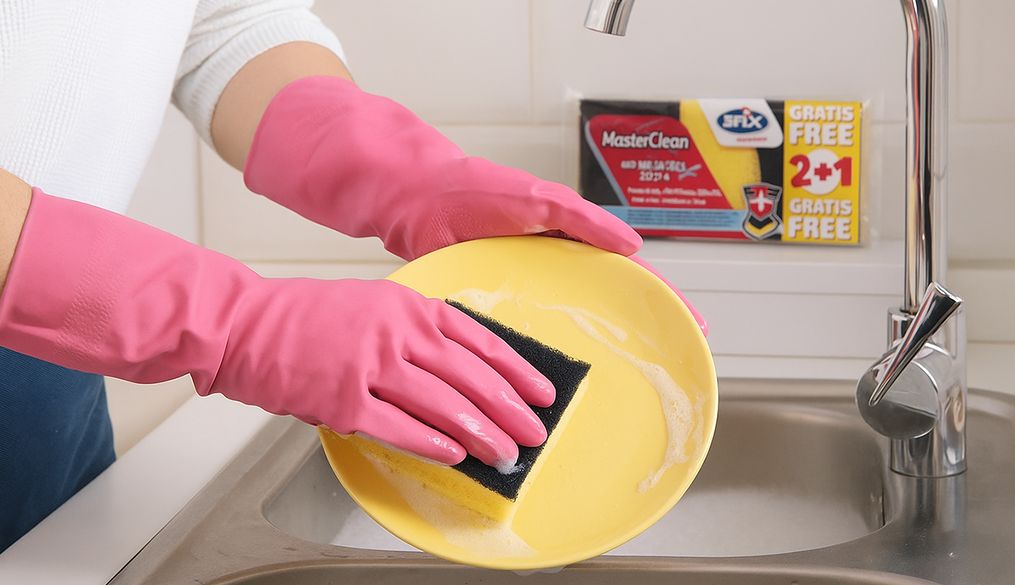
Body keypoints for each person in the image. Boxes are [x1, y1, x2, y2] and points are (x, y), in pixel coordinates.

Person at [0, 1, 703, 552]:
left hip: (52, 392)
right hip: (72, 307)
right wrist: (235, 324)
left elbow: (223, 23)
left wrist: (400, 172)